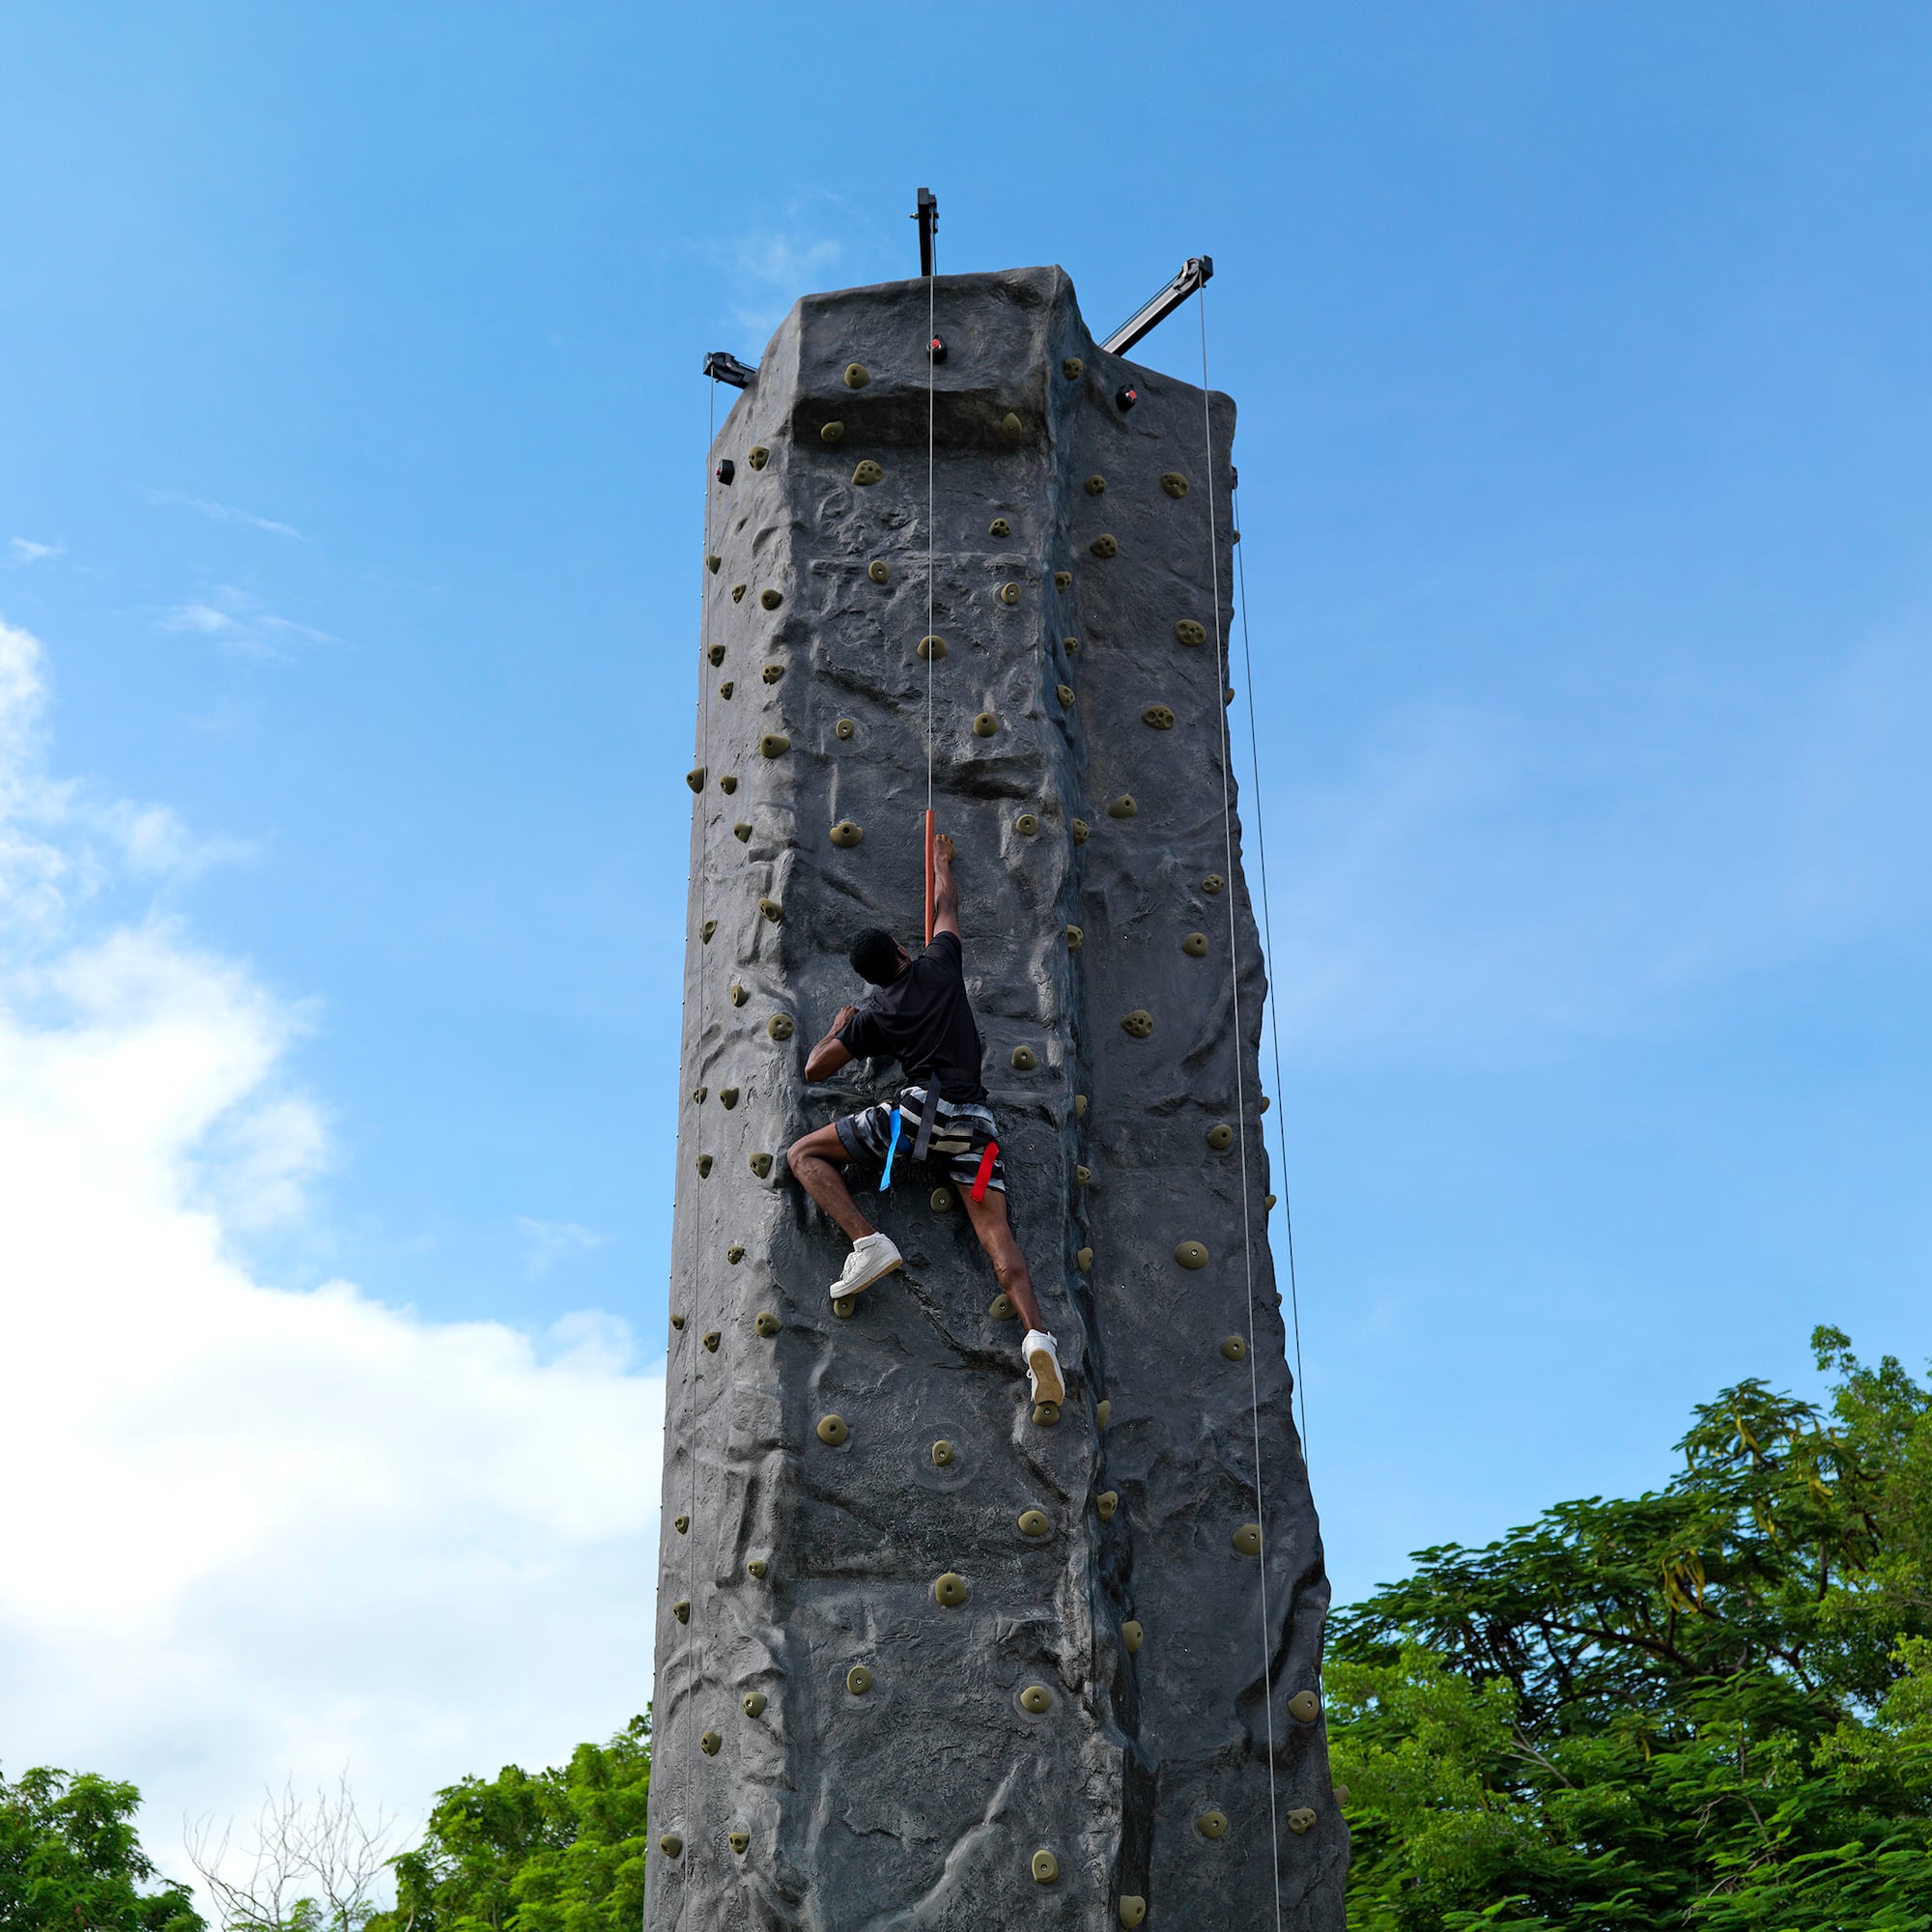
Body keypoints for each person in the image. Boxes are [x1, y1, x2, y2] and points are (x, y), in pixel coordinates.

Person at [785, 831, 1065, 1407]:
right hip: (976, 1124)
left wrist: (841, 1026)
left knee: (803, 1154)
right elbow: (945, 908)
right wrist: (940, 864)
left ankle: (868, 1243)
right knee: (996, 1234)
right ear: (903, 952)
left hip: (920, 1112)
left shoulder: (875, 1014)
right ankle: (1037, 1335)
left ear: (872, 977)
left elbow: (815, 1069)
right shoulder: (941, 964)